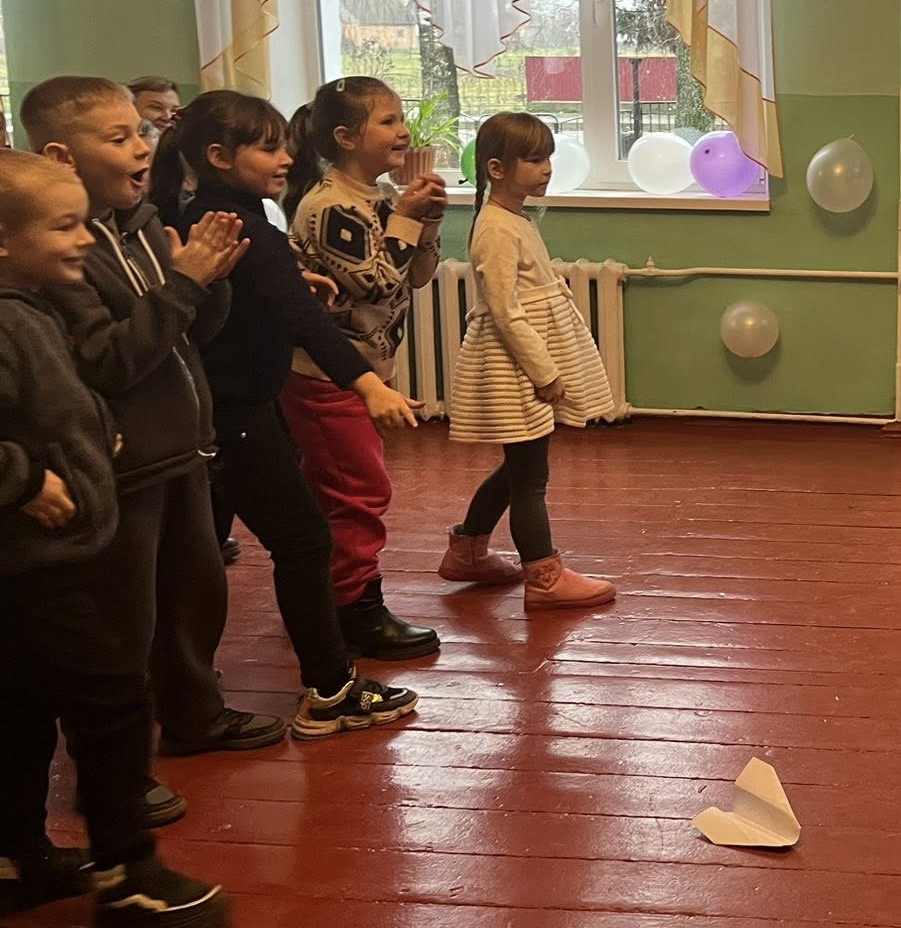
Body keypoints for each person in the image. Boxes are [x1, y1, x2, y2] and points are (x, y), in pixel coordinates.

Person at [21, 78, 286, 830]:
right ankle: (115, 776)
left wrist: (208, 284)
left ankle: (195, 715)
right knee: (123, 626)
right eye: (119, 137)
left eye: (141, 131)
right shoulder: (60, 257)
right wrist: (185, 283)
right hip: (121, 467)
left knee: (193, 595)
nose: (143, 146)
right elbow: (109, 360)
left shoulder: (142, 224)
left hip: (179, 449)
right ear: (60, 156)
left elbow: (187, 332)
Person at [0, 151, 230, 928]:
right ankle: (127, 876)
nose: (81, 239)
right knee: (112, 701)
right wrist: (23, 479)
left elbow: (56, 400)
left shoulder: (29, 307)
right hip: (33, 558)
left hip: (42, 556)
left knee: (21, 708)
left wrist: (98, 435)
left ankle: (16, 856)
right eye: (63, 226)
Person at [152, 91, 422, 738]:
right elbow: (305, 323)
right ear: (219, 156)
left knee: (195, 558)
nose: (284, 158)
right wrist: (368, 386)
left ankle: (181, 691)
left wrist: (295, 279)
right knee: (303, 541)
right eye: (267, 147)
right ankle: (331, 689)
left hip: (222, 412)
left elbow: (267, 295)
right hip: (236, 416)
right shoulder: (238, 223)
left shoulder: (213, 213)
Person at [281, 78, 447, 660]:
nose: (403, 131)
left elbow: (415, 276)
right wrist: (405, 215)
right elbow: (375, 281)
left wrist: (426, 221)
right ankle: (356, 610)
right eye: (388, 121)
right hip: (328, 375)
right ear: (346, 137)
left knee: (336, 486)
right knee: (359, 491)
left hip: (366, 365)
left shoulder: (377, 195)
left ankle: (323, 594)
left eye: (401, 118)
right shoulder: (331, 205)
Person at [444, 112, 616, 610]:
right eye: (535, 160)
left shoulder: (512, 218)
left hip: (523, 363)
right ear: (497, 168)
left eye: (548, 159)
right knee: (530, 477)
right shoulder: (496, 228)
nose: (547, 169)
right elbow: (504, 309)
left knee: (520, 467)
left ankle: (468, 551)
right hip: (515, 368)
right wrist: (545, 372)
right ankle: (543, 578)